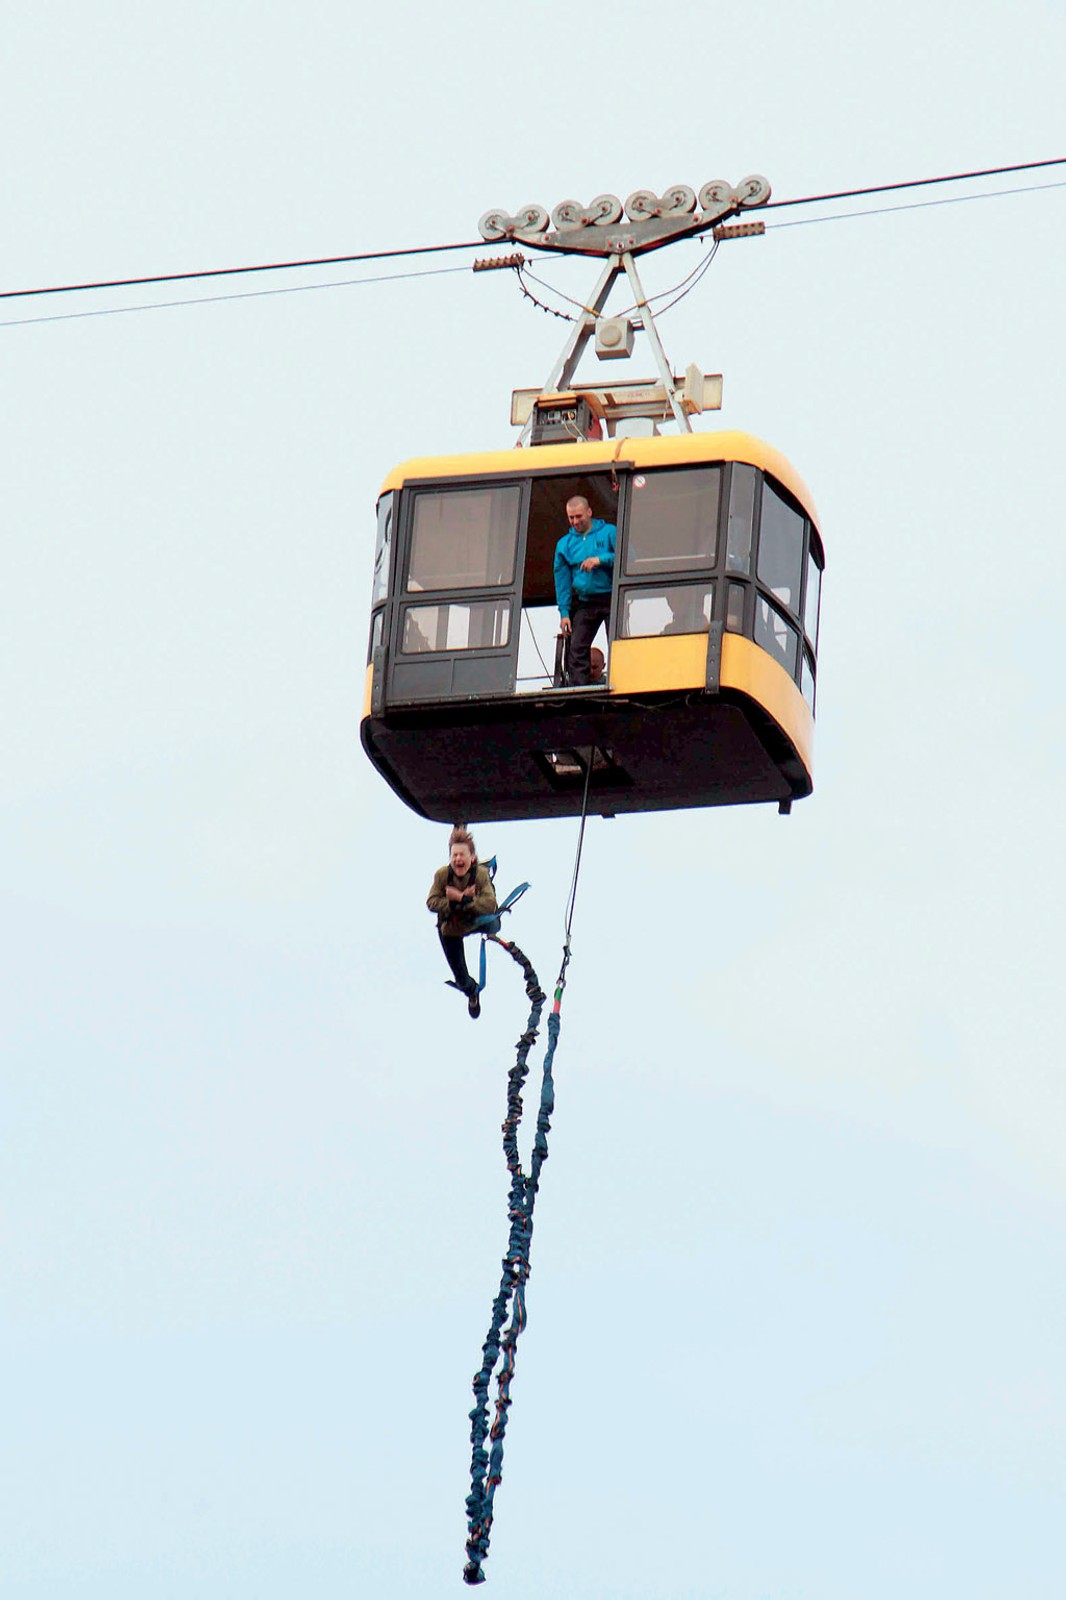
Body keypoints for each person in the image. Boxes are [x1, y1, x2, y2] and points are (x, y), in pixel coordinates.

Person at [427, 825, 497, 1019]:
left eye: (462, 855)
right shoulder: (442, 875)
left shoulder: (480, 875)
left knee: (494, 923)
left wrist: (468, 902)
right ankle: (471, 992)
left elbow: (490, 904)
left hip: (476, 919)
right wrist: (456, 900)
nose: (458, 859)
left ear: (472, 858)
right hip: (451, 928)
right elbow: (431, 902)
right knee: (461, 977)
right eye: (454, 856)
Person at [554, 495, 616, 685]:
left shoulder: (609, 532)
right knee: (577, 647)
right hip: (585, 601)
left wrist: (600, 560)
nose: (575, 522)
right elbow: (562, 580)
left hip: (612, 599)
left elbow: (628, 558)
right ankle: (578, 690)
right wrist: (564, 613)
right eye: (571, 518)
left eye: (579, 516)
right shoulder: (564, 544)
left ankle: (619, 683)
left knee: (616, 644)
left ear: (589, 512)